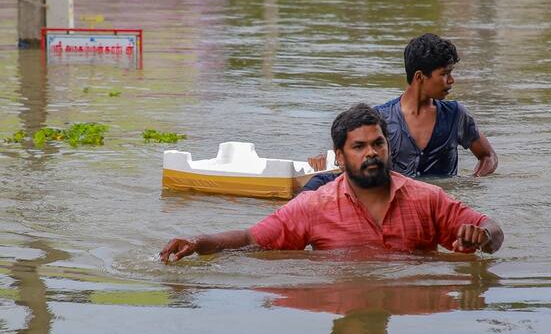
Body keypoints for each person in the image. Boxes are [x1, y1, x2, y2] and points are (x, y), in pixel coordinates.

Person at [160, 104, 503, 262]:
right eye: (359, 146)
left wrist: (485, 236)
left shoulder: (428, 198)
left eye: (378, 143)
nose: (371, 153)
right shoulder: (315, 205)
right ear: (339, 157)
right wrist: (199, 242)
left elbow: (491, 228)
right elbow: (253, 238)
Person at [303, 33, 498, 191]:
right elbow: (351, 163)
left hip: (441, 210)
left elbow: (488, 156)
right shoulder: (380, 119)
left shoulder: (456, 115)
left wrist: (472, 182)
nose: (451, 80)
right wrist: (329, 162)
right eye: (445, 74)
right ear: (420, 77)